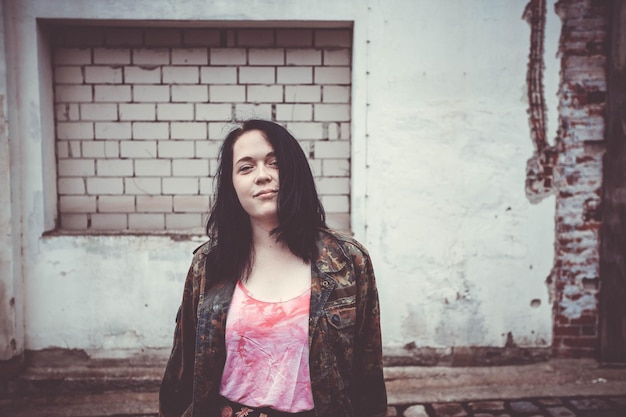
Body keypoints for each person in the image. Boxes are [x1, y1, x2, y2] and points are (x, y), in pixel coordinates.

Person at [159, 119, 387, 417]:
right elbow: (182, 370)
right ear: (232, 184)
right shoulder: (209, 264)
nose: (262, 176)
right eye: (245, 167)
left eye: (274, 162)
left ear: (295, 172)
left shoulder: (348, 260)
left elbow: (368, 373)